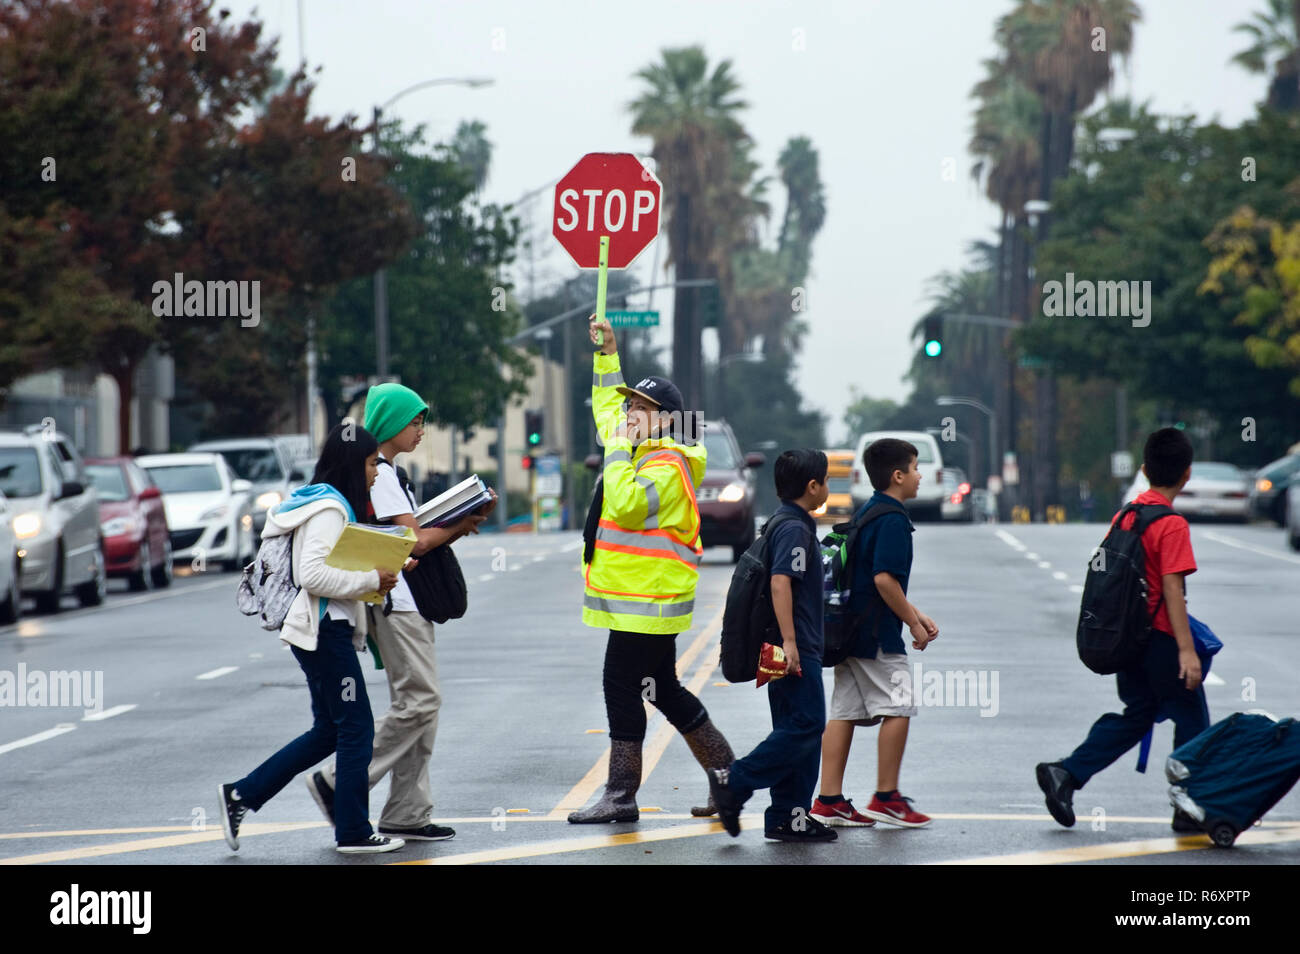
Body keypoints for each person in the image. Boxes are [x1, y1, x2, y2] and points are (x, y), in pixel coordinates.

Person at [305, 383, 494, 843]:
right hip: (398, 601)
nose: (422, 430)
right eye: (415, 422)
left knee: (421, 708)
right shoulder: (383, 474)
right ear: (390, 424)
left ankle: (408, 811)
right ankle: (340, 782)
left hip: (404, 600)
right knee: (421, 702)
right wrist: (460, 522)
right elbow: (413, 541)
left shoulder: (388, 472)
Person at [568, 315, 736, 823]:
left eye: (640, 409)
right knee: (663, 690)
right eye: (630, 406)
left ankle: (620, 796)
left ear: (666, 419)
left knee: (621, 687)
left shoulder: (666, 464)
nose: (629, 414)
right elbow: (604, 406)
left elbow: (622, 506)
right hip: (640, 601)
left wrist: (618, 448)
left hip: (647, 603)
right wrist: (607, 353)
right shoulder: (645, 448)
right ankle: (728, 778)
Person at [218, 422, 404, 854]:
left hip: (320, 631)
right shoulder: (329, 509)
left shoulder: (321, 500)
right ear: (353, 464)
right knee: (357, 726)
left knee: (329, 730)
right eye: (373, 463)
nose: (377, 472)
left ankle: (242, 795)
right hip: (324, 633)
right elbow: (312, 574)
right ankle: (354, 831)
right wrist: (369, 579)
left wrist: (377, 575)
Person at [1037, 427, 1208, 832]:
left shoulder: (1126, 515)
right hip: (1162, 640)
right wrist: (1187, 650)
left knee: (1138, 714)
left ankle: (1067, 773)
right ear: (1187, 475)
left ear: (1145, 470)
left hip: (1127, 640)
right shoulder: (1172, 525)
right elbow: (1171, 590)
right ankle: (1188, 805)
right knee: (1193, 719)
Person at [708, 449, 836, 842]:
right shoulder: (795, 529)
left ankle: (788, 816)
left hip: (780, 649)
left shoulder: (781, 522)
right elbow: (782, 582)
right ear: (813, 487)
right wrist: (792, 643)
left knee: (796, 730)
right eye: (825, 481)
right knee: (807, 725)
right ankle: (734, 780)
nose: (828, 488)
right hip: (791, 649)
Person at [812, 437, 938, 829]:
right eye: (915, 468)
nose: (919, 476)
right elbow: (885, 580)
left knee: (845, 712)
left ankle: (829, 799)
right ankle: (887, 797)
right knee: (900, 706)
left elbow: (873, 578)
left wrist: (918, 613)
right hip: (875, 634)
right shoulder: (894, 520)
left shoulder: (869, 511)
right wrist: (912, 623)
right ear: (898, 476)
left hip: (849, 630)